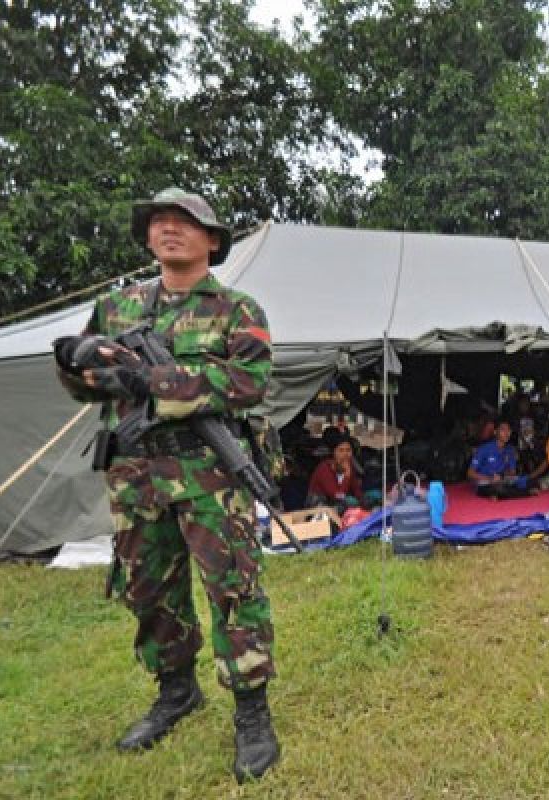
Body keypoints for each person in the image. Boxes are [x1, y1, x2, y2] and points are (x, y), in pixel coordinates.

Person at [52, 188, 280, 781]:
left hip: (208, 472)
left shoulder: (236, 310)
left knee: (233, 587)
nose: (169, 229)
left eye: (185, 222)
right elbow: (78, 378)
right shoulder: (118, 310)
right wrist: (79, 354)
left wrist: (148, 377)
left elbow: (248, 381)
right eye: (159, 221)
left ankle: (251, 712)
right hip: (135, 472)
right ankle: (176, 690)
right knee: (148, 590)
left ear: (212, 240)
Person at [468, 420, 535, 499]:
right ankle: (525, 493)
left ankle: (501, 495)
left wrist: (503, 475)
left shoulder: (510, 450)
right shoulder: (484, 449)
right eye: (503, 430)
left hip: (502, 479)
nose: (507, 433)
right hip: (486, 481)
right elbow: (470, 473)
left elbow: (512, 472)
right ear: (495, 432)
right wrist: (490, 478)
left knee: (528, 480)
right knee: (499, 489)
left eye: (508, 430)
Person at [306, 433, 364, 509]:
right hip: (319, 507)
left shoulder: (350, 467)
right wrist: (346, 476)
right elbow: (336, 495)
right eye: (341, 450)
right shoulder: (324, 468)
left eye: (348, 450)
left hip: (336, 504)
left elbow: (356, 490)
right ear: (334, 452)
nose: (345, 454)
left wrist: (363, 502)